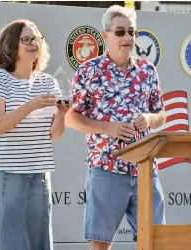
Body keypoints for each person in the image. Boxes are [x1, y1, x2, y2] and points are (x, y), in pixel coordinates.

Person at [65, 5, 166, 250]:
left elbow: (161, 114)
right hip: (106, 169)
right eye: (120, 32)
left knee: (157, 242)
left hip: (144, 169)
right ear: (106, 35)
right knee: (101, 245)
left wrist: (149, 119)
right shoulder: (88, 71)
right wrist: (106, 128)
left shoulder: (147, 70)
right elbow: (70, 118)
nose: (127, 38)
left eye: (131, 32)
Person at [0, 19, 69, 250]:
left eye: (36, 38)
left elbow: (54, 135)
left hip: (39, 174)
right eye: (26, 39)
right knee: (5, 242)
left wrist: (61, 115)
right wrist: (31, 105)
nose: (33, 44)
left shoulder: (48, 82)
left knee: (37, 241)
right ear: (11, 45)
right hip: (5, 174)